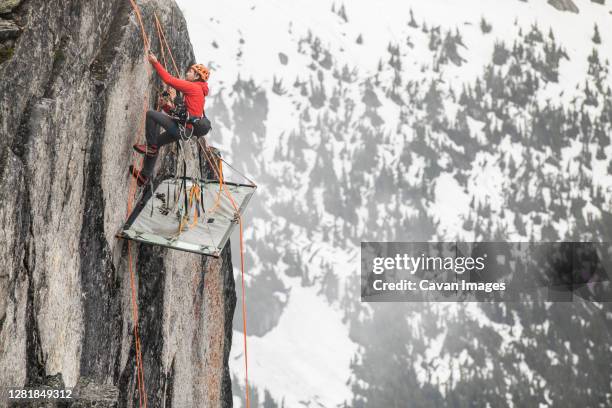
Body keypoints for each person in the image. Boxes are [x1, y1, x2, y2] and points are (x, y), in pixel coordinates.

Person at [129, 51, 212, 186]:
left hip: (182, 129)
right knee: (158, 143)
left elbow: (168, 80)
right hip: (185, 130)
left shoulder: (193, 87)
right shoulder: (199, 92)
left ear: (197, 76)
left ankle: (150, 147)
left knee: (151, 115)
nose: (187, 73)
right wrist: (166, 107)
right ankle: (144, 176)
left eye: (190, 72)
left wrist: (154, 62)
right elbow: (183, 114)